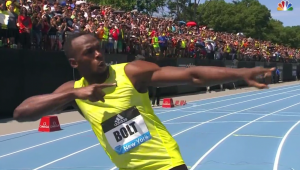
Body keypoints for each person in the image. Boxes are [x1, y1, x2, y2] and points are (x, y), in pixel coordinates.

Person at [13, 32, 274, 170]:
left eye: (98, 47)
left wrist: (241, 73)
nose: (98, 54)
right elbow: (21, 113)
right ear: (74, 62)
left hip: (166, 165)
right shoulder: (73, 90)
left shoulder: (130, 72)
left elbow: (191, 74)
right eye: (88, 52)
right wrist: (72, 95)